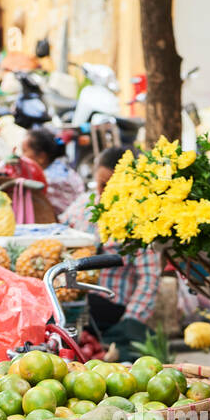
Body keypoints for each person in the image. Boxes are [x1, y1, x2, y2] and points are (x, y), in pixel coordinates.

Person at [61, 145, 160, 353]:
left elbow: (149, 278)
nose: (106, 192)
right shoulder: (81, 208)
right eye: (102, 185)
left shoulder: (139, 220)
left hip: (112, 312)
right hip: (71, 305)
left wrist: (129, 323)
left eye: (113, 186)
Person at [20, 126, 83, 216]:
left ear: (41, 157)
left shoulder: (48, 181)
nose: (21, 156)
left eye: (24, 151)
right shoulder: (61, 167)